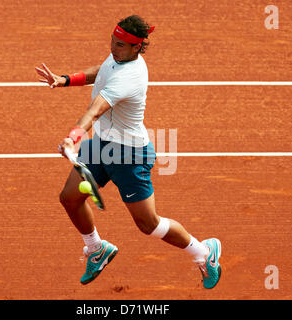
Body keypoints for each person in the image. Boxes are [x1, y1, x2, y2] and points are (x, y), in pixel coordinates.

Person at [35, 15, 222, 289]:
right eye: (112, 40)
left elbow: (95, 110)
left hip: (129, 156)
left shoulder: (129, 77)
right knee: (70, 198)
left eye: (120, 45)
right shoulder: (119, 59)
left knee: (148, 225)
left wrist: (73, 138)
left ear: (137, 47)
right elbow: (101, 71)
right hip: (101, 146)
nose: (113, 47)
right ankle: (97, 249)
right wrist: (65, 79)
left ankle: (204, 253)